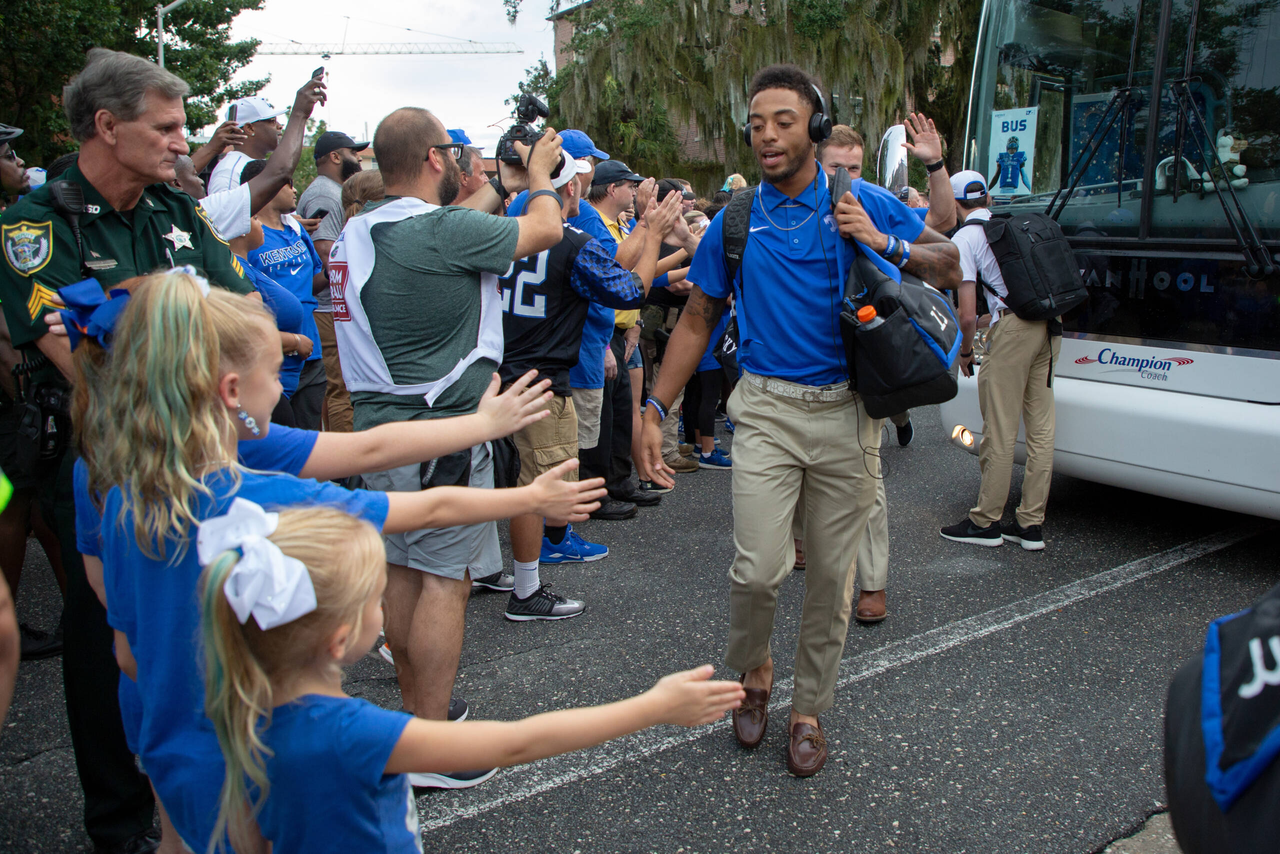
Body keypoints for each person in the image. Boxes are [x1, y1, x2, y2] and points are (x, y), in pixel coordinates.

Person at [91, 272, 604, 850]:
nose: (279, 392)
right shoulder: (263, 500)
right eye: (271, 376)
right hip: (256, 756)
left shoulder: (126, 497)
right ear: (232, 392)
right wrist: (530, 499)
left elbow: (128, 651)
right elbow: (427, 505)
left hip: (167, 741)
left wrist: (484, 427)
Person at [639, 64, 959, 778]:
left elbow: (947, 255)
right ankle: (755, 673)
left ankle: (808, 708)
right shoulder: (737, 217)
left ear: (815, 126)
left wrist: (883, 241)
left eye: (783, 121)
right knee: (757, 570)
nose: (767, 136)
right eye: (756, 125)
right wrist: (653, 407)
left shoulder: (860, 198)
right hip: (766, 411)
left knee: (831, 580)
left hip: (848, 412)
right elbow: (697, 315)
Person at [0, 48, 254, 854]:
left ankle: (194, 796)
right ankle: (119, 822)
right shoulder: (35, 224)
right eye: (169, 126)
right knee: (108, 634)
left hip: (199, 450)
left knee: (197, 626)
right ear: (108, 127)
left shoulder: (174, 214)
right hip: (103, 463)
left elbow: (242, 309)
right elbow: (70, 356)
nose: (186, 142)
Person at [198, 500, 744, 854]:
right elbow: (515, 742)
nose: (384, 608)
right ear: (339, 642)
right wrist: (653, 706)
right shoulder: (350, 732)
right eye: (374, 599)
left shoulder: (239, 713)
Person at [328, 106, 571, 786]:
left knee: (404, 574)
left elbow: (455, 224)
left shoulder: (360, 229)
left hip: (382, 430)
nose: (465, 165)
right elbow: (545, 228)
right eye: (453, 153)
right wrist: (543, 179)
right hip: (445, 433)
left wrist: (508, 179)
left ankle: (413, 720)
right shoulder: (442, 230)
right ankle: (432, 747)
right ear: (436, 160)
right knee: (444, 581)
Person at [500, 155, 676, 615]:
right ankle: (525, 590)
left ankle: (488, 570)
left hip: (495, 373)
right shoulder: (570, 241)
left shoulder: (500, 231)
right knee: (536, 489)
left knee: (501, 480)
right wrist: (654, 234)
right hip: (542, 379)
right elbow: (629, 290)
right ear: (572, 190)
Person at [941, 171, 1059, 550]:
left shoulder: (965, 237)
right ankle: (1030, 525)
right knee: (1041, 429)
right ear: (988, 199)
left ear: (957, 205)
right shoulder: (1013, 227)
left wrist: (965, 351)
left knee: (1000, 429)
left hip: (1012, 332)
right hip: (1049, 326)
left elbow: (967, 312)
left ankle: (986, 521)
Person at [241, 160, 327, 429]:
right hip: (274, 356)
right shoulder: (247, 236)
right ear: (266, 186)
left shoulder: (296, 229)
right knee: (278, 436)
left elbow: (311, 283)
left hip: (311, 351)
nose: (295, 189)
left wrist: (333, 271)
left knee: (310, 436)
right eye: (288, 182)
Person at [297, 130, 367, 433]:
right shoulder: (325, 193)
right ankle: (345, 470)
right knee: (341, 390)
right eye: (353, 153)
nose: (359, 158)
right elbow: (326, 253)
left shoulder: (332, 189)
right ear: (335, 157)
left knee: (339, 389)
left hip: (332, 306)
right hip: (328, 308)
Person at [206, 95, 286, 195]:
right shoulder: (229, 172)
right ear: (249, 128)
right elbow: (225, 210)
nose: (280, 126)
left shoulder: (259, 164)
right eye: (272, 121)